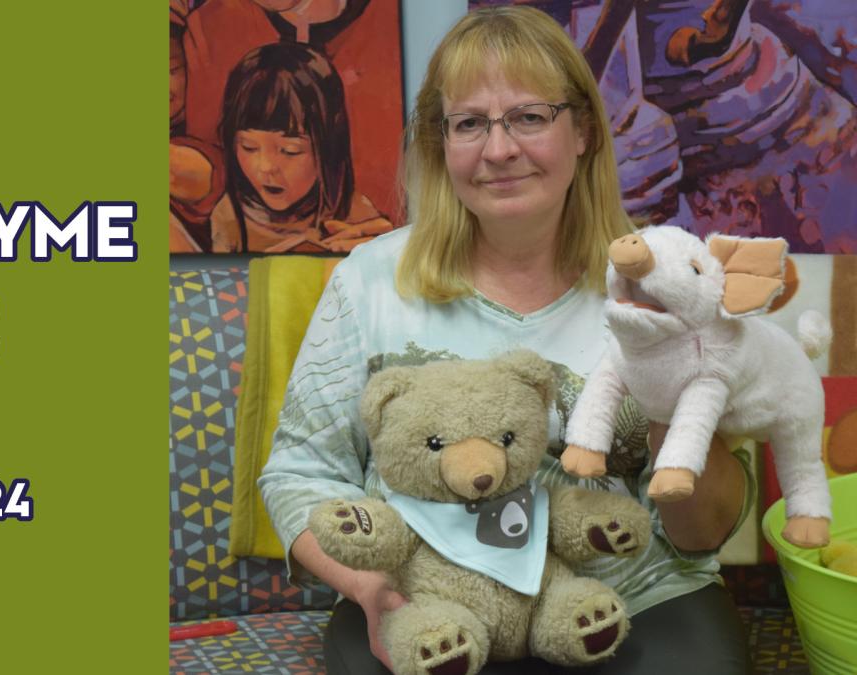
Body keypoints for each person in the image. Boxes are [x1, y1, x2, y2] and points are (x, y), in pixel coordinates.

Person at [257, 6, 752, 674]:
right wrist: (372, 592)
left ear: (581, 131)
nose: (499, 150)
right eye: (469, 124)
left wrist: (674, 396)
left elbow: (705, 532)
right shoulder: (370, 280)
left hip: (628, 597)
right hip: (430, 600)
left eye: (528, 116)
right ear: (441, 144)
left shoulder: (667, 281)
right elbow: (298, 472)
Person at [210, 42, 394, 253]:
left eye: (290, 150)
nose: (266, 167)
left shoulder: (354, 212)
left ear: (327, 149)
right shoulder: (230, 215)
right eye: (249, 147)